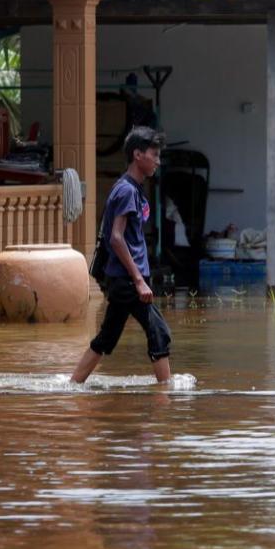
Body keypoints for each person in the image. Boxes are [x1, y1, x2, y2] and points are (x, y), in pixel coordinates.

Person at [70, 126, 172, 384]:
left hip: (122, 279)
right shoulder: (127, 190)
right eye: (154, 154)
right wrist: (139, 280)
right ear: (138, 155)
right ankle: (167, 393)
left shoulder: (130, 188)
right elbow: (116, 237)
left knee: (107, 337)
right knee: (158, 332)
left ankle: (73, 385)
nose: (158, 161)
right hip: (128, 280)